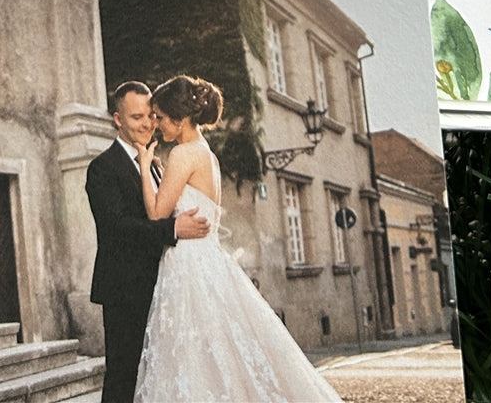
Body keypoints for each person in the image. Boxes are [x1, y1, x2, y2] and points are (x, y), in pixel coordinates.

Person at [132, 74, 342, 403]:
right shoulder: (207, 155)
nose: (156, 125)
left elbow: (158, 213)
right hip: (207, 260)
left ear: (181, 116)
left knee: (196, 356)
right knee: (222, 356)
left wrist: (145, 167)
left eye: (159, 116)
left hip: (188, 267)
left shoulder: (183, 154)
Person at [85, 81, 211, 403]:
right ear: (117, 119)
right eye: (137, 117)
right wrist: (173, 229)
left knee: (157, 378)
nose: (147, 124)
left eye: (151, 117)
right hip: (125, 290)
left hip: (164, 288)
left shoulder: (156, 162)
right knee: (124, 377)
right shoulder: (102, 168)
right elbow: (117, 228)